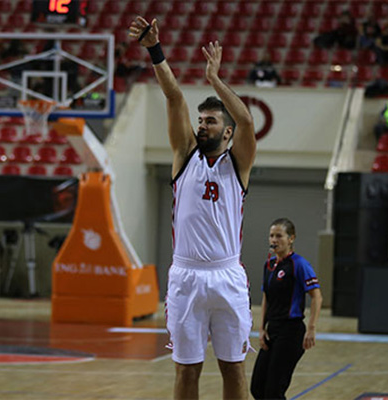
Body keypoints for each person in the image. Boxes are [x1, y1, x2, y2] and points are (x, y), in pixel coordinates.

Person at [130, 16, 256, 400]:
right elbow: (174, 97)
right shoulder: (185, 156)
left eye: (211, 121)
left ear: (227, 131)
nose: (202, 125)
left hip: (227, 275)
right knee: (186, 371)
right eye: (200, 120)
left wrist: (215, 79)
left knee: (234, 369)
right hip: (186, 276)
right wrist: (155, 50)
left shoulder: (238, 163)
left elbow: (247, 121)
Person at [250, 218, 322, 400]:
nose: (274, 240)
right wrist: (261, 328)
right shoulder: (269, 265)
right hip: (272, 330)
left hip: (291, 332)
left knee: (274, 391)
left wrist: (311, 328)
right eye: (271, 236)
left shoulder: (299, 264)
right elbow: (266, 298)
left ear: (291, 238)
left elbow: (316, 296)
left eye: (279, 236)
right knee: (257, 388)